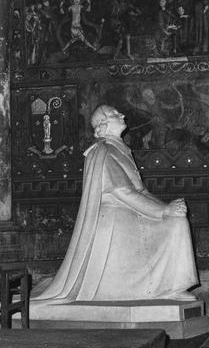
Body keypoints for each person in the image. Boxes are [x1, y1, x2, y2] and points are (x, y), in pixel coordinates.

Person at [32, 105, 199, 303]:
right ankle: (168, 287)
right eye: (114, 113)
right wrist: (163, 211)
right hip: (116, 220)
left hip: (131, 213)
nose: (122, 114)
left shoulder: (121, 150)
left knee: (176, 220)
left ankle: (171, 286)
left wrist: (168, 207)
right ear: (103, 124)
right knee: (174, 223)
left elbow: (141, 191)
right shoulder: (102, 150)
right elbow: (122, 192)